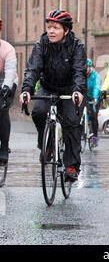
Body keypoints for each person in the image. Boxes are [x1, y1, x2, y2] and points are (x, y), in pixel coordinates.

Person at [19, 10, 86, 181]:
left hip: (70, 90)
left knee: (72, 122)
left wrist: (78, 90)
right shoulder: (41, 45)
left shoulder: (77, 46)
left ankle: (71, 166)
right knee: (39, 112)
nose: (51, 31)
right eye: (49, 27)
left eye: (56, 28)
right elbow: (33, 69)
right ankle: (46, 145)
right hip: (47, 87)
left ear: (66, 30)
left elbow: (79, 71)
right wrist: (26, 90)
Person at [0, 30, 18, 164]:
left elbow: (10, 71)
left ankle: (4, 148)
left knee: (2, 109)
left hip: (7, 80)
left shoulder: (7, 49)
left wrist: (6, 87)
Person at [86, 58, 101, 147]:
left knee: (93, 116)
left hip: (93, 97)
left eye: (87, 67)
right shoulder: (81, 75)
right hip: (84, 96)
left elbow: (97, 87)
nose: (85, 70)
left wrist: (95, 98)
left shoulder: (95, 75)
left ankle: (95, 137)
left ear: (90, 67)